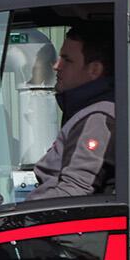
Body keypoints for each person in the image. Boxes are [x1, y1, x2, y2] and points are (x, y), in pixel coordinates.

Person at [22, 14, 118, 197]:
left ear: (94, 70)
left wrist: (23, 217)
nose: (57, 66)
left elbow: (74, 191)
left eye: (67, 59)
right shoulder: (88, 111)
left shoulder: (98, 118)